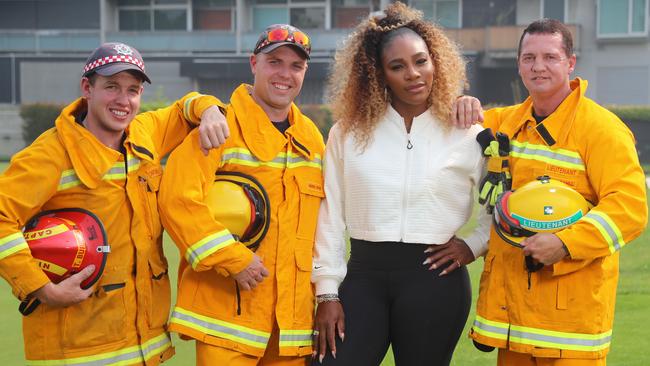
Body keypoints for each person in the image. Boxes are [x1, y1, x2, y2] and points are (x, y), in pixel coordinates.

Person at [0, 42, 228, 365]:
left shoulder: (144, 134)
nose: (123, 100)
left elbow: (183, 108)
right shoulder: (50, 154)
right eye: (111, 87)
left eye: (132, 90)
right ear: (86, 88)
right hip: (80, 351)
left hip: (146, 349)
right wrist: (42, 289)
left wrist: (209, 110)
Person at [310, 3, 490, 365]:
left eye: (420, 61)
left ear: (435, 61)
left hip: (435, 279)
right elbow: (328, 214)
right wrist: (327, 293)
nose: (413, 74)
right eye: (397, 66)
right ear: (377, 75)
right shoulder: (347, 133)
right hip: (363, 275)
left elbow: (499, 202)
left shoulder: (467, 131)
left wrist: (473, 245)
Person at [466, 19, 648, 365]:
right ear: (518, 63)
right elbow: (453, 125)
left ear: (570, 63)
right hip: (513, 322)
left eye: (550, 57)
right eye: (528, 57)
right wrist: (463, 102)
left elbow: (629, 208)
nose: (538, 67)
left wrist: (566, 244)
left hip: (570, 327)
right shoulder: (504, 123)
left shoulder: (603, 130)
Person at [157, 24, 325, 365]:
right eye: (275, 62)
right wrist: (232, 259)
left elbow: (322, 225)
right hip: (227, 321)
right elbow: (178, 202)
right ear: (254, 63)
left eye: (296, 66)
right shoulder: (218, 127)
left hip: (290, 328)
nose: (285, 74)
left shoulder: (311, 139)